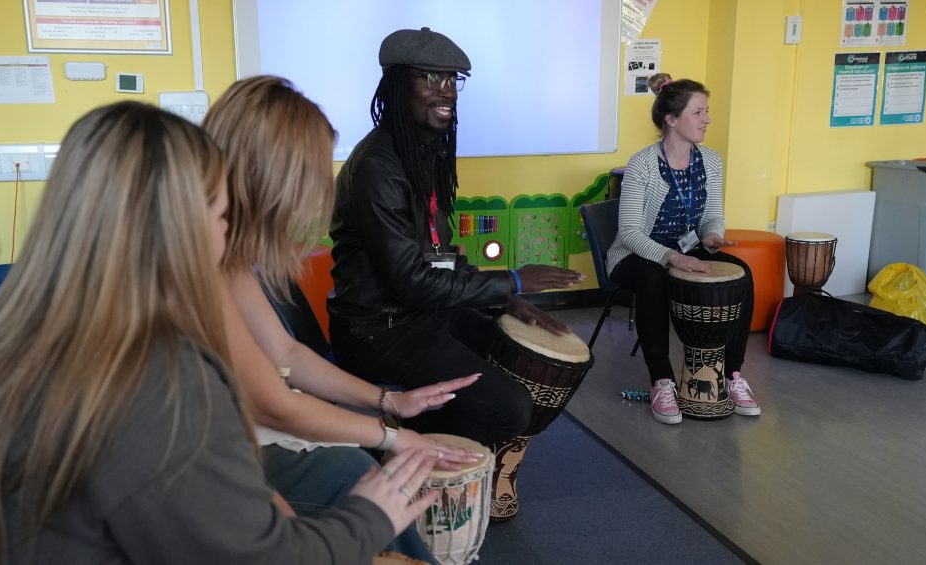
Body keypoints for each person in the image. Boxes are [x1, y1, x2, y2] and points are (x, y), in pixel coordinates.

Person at [0, 101, 438, 565]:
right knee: (354, 481)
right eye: (220, 216)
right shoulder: (157, 379)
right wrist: (371, 513)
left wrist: (386, 410)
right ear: (179, 226)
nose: (226, 232)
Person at [203, 75, 488, 562]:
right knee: (354, 472)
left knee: (361, 458)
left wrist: (388, 401)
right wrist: (396, 438)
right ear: (270, 177)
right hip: (197, 457)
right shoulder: (195, 253)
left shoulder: (224, 248)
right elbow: (275, 403)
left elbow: (286, 355)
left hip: (219, 434)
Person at [327, 26, 585, 447]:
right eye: (430, 78)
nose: (446, 91)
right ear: (396, 85)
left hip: (418, 314)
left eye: (451, 80)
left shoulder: (425, 154)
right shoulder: (377, 167)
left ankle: (428, 442)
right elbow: (412, 281)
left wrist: (504, 300)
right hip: (377, 331)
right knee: (510, 407)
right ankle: (398, 449)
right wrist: (513, 279)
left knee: (516, 353)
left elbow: (439, 255)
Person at [605, 73, 761, 425]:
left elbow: (712, 216)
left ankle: (732, 375)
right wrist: (671, 257)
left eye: (707, 111)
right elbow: (628, 232)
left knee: (742, 275)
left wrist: (712, 237)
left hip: (688, 250)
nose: (707, 119)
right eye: (699, 112)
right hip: (637, 254)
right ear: (671, 120)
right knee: (653, 279)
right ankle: (662, 380)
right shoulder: (641, 164)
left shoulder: (712, 161)